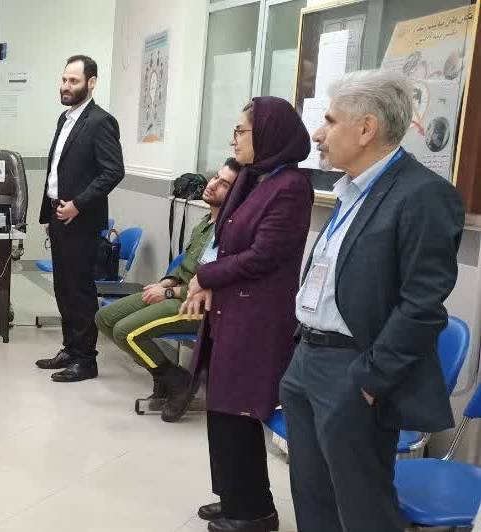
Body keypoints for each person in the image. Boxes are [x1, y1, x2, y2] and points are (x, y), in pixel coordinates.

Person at [281, 70, 464, 532]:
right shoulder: (349, 191)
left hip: (354, 369)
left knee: (362, 509)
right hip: (307, 360)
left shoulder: (423, 195)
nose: (318, 134)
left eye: (329, 121)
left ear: (365, 129)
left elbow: (423, 305)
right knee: (313, 498)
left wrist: (371, 380)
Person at [171, 96, 314, 532]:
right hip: (228, 310)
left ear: (267, 134)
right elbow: (224, 237)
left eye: (241, 131)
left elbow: (264, 255)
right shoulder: (253, 177)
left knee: (240, 412)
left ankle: (254, 512)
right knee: (222, 409)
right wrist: (205, 278)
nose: (233, 139)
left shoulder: (290, 187)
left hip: (257, 319)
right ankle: (233, 496)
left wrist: (207, 276)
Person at [93, 158, 240, 420]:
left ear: (238, 194)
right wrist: (167, 282)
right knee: (104, 317)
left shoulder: (231, 231)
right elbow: (185, 263)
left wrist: (169, 293)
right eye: (216, 177)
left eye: (224, 184)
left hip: (198, 306)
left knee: (125, 332)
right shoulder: (206, 222)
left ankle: (178, 381)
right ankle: (167, 377)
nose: (212, 184)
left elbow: (217, 284)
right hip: (177, 293)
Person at [34, 55, 125, 383]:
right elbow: (57, 170)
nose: (66, 86)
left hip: (81, 220)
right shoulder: (66, 118)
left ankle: (86, 360)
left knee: (80, 290)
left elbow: (113, 171)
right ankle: (71, 348)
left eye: (73, 81)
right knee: (63, 287)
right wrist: (49, 213)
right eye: (64, 80)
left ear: (92, 82)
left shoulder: (101, 121)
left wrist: (78, 205)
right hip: (59, 215)